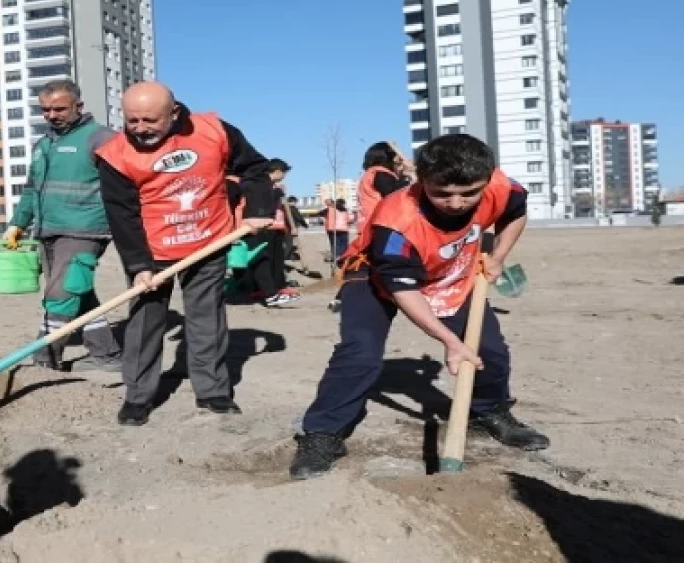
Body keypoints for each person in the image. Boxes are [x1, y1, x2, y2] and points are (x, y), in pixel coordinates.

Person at [289, 134, 549, 480]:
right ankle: (323, 434)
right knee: (360, 351)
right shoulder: (396, 221)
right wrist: (450, 341)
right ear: (421, 180)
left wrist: (499, 256)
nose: (455, 203)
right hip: (374, 277)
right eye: (442, 193)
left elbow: (515, 213)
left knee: (489, 349)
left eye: (468, 193)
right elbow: (403, 290)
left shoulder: (501, 187)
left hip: (448, 271)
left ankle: (491, 412)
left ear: (487, 179)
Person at [95, 81, 275, 426]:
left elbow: (254, 168)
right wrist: (138, 265)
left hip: (207, 241)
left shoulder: (214, 130)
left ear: (174, 113)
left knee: (206, 318)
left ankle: (213, 392)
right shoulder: (116, 154)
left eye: (149, 120)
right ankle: (138, 397)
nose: (140, 129)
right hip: (152, 248)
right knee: (145, 322)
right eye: (132, 121)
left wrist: (258, 206)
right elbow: (122, 214)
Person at [3, 80, 122, 371]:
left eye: (59, 109)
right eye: (45, 110)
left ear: (78, 106)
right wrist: (17, 224)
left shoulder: (101, 138)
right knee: (78, 292)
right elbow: (32, 190)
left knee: (61, 293)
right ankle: (106, 354)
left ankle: (46, 358)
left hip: (85, 229)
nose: (51, 115)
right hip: (47, 230)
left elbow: (125, 187)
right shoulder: (44, 145)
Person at [328, 141, 415, 312]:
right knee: (389, 262)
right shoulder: (381, 174)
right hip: (381, 225)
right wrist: (406, 178)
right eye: (395, 158)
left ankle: (342, 298)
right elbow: (393, 193)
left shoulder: (369, 175)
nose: (399, 162)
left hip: (371, 226)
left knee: (368, 265)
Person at [228, 159, 298, 306]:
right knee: (256, 260)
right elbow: (236, 207)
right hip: (242, 227)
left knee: (255, 260)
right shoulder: (237, 182)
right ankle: (265, 294)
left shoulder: (243, 181)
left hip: (246, 226)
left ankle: (257, 293)